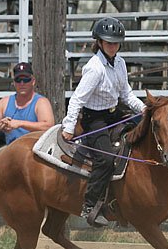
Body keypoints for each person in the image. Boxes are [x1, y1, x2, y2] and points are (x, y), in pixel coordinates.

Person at [61, 16, 146, 227]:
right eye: (109, 42)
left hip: (114, 113)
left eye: (116, 43)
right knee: (106, 159)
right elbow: (77, 98)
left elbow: (126, 94)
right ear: (99, 42)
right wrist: (69, 126)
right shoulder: (94, 67)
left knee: (142, 135)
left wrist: (145, 110)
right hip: (94, 118)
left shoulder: (120, 63)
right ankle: (89, 206)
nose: (113, 46)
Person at [0, 61, 55, 145]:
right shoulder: (5, 102)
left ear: (33, 81)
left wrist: (19, 123)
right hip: (11, 151)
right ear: (14, 82)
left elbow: (48, 127)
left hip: (34, 153)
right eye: (18, 80)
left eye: (26, 79)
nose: (22, 83)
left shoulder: (41, 102)